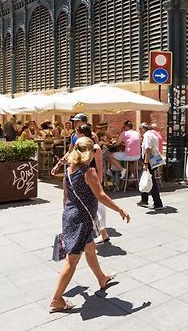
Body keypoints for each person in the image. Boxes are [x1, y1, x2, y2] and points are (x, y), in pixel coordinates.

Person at [49, 137, 130, 313]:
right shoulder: (88, 171)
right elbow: (101, 196)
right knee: (72, 260)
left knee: (91, 248)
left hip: (70, 216)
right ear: (89, 153)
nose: (95, 153)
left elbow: (65, 198)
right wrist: (120, 210)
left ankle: (101, 278)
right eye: (94, 150)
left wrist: (68, 217)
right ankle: (56, 300)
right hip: (81, 220)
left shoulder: (70, 170)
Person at [77, 124, 110, 244]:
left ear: (81, 134)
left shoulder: (95, 147)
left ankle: (103, 233)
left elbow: (100, 167)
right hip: (84, 180)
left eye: (77, 133)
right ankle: (97, 232)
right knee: (89, 206)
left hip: (93, 180)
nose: (75, 135)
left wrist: (99, 182)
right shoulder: (81, 146)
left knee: (99, 207)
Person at [138, 122, 164, 210]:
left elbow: (148, 149)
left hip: (149, 161)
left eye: (140, 129)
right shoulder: (151, 134)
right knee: (147, 178)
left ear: (142, 129)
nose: (139, 132)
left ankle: (158, 202)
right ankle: (144, 200)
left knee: (151, 181)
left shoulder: (147, 136)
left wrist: (145, 163)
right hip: (151, 160)